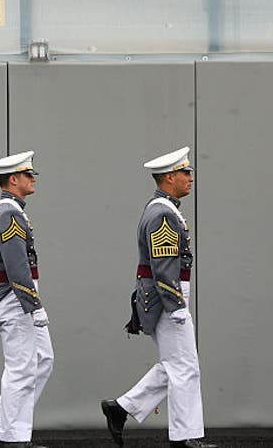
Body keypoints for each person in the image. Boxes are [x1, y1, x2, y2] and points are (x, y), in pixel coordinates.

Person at [101, 147, 218, 448]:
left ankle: (121, 408)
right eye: (185, 172)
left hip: (168, 297)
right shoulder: (163, 213)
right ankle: (184, 437)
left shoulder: (163, 208)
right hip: (169, 299)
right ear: (169, 177)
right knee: (185, 368)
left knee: (179, 366)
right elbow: (163, 267)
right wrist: (177, 307)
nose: (191, 177)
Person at [0, 151, 53, 448]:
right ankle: (13, 437)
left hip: (19, 296)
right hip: (15, 298)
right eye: (28, 174)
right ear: (13, 179)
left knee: (43, 359)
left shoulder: (11, 210)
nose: (33, 178)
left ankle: (2, 416)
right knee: (21, 367)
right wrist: (33, 305)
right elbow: (16, 264)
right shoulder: (9, 212)